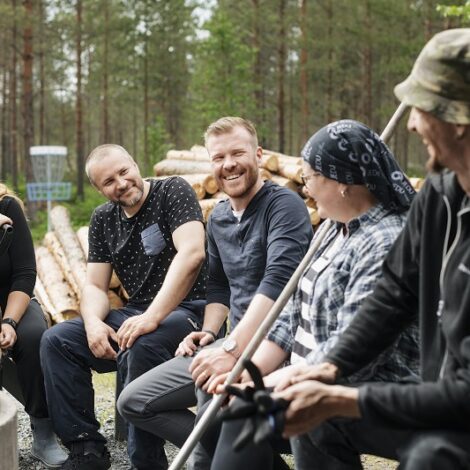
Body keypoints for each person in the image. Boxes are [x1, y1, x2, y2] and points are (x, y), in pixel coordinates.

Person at [263, 28, 470, 470]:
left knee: (432, 456)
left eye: (422, 108)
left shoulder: (383, 231)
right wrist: (330, 366)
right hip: (442, 396)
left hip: (455, 408)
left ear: (458, 119)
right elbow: (396, 290)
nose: (411, 123)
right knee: (319, 420)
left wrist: (348, 396)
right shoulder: (441, 192)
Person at [206, 119, 419, 470]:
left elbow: (357, 346)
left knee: (275, 411)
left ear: (343, 183)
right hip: (315, 373)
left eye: (310, 179)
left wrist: (274, 381)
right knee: (234, 407)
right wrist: (250, 371)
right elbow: (292, 312)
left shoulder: (384, 242)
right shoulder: (336, 228)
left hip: (379, 386)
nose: (306, 190)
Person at [117, 117, 313, 468]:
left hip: (277, 347)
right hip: (231, 342)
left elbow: (279, 281)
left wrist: (235, 347)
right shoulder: (219, 216)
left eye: (238, 153)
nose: (229, 164)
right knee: (133, 401)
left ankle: (218, 458)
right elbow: (219, 285)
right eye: (219, 157)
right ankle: (251, 456)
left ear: (258, 154)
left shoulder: (284, 206)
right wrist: (209, 333)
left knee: (214, 397)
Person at [40, 144, 208, 470]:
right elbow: (94, 285)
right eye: (108, 181)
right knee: (57, 341)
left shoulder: (172, 190)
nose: (120, 183)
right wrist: (91, 323)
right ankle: (86, 450)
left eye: (124, 171)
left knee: (139, 341)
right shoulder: (103, 218)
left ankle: (145, 462)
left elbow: (192, 254)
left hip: (190, 312)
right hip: (139, 313)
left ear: (135, 163)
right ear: (99, 189)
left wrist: (152, 317)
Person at [0, 183, 67, 467]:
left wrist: (9, 321)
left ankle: (43, 431)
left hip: (14, 298)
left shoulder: (6, 207)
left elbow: (25, 273)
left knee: (33, 334)